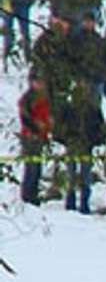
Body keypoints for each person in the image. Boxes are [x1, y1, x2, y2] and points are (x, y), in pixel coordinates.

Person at [17, 75, 49, 205]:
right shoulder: (28, 99)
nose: (39, 85)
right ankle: (27, 195)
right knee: (31, 167)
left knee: (37, 167)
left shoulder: (43, 97)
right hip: (30, 136)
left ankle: (33, 194)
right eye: (37, 82)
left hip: (40, 136)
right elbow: (25, 118)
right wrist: (35, 129)